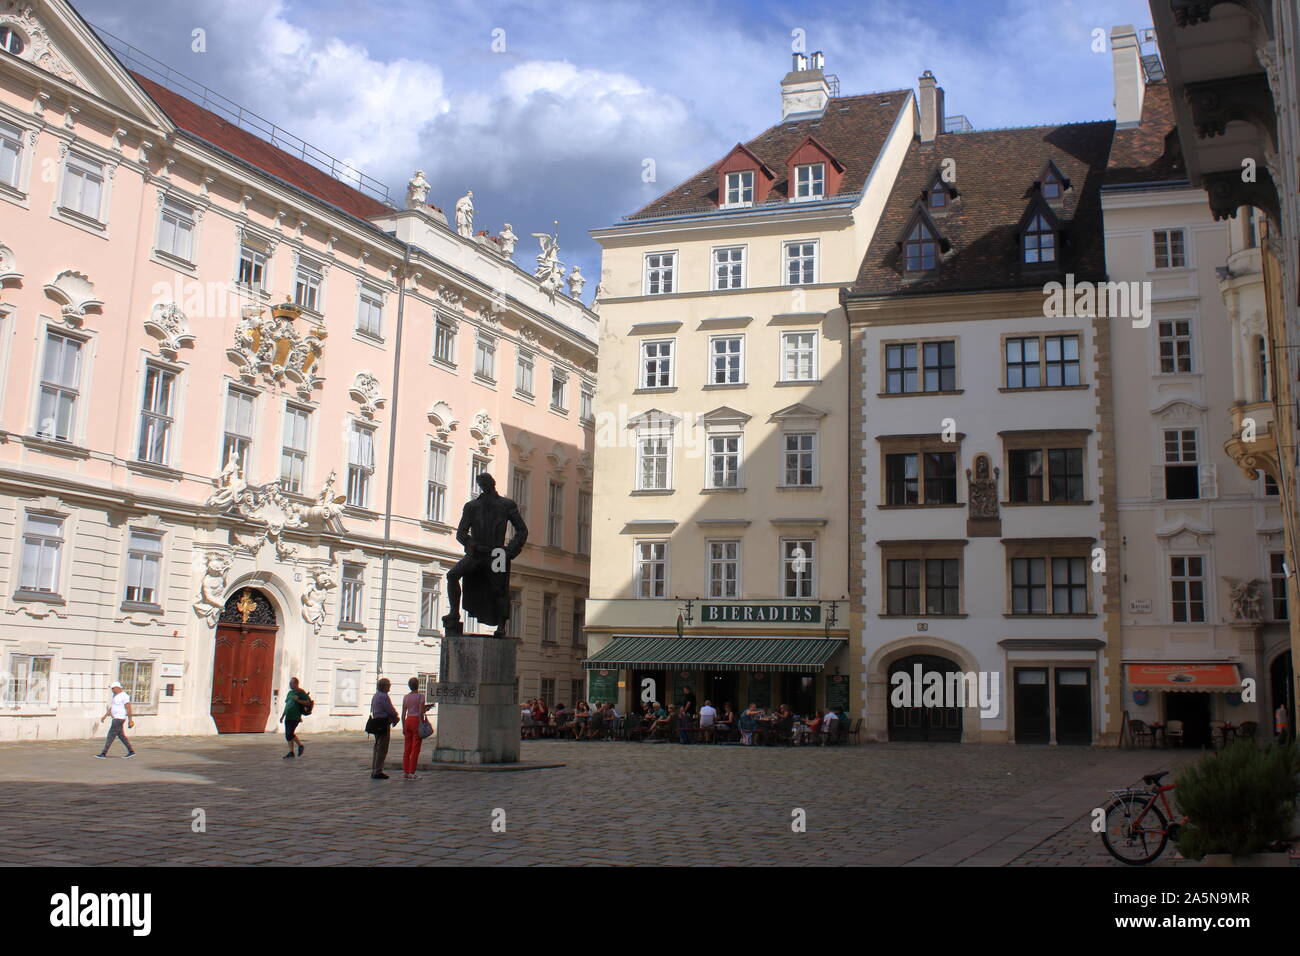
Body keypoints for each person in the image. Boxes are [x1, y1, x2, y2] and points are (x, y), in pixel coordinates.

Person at [401, 677, 433, 780]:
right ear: (418, 685)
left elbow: (403, 713)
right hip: (416, 721)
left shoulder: (405, 697)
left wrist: (403, 726)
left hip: (408, 720)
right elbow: (420, 711)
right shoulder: (421, 696)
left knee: (407, 748)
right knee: (415, 748)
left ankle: (406, 771)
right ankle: (412, 772)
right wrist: (426, 709)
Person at [96, 681, 136, 758]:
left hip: (119, 718)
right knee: (121, 736)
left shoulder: (124, 696)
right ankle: (131, 751)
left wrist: (130, 720)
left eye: (113, 688)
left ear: (118, 688)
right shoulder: (116, 696)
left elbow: (128, 707)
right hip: (116, 718)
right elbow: (112, 708)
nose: (112, 690)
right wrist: (105, 715)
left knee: (110, 735)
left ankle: (103, 753)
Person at [369, 678, 399, 779]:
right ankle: (378, 770)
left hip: (376, 722)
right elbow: (390, 710)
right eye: (388, 685)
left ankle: (374, 769)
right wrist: (395, 716)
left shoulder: (375, 695)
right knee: (382, 748)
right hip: (383, 723)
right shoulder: (384, 696)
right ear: (384, 686)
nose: (390, 686)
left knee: (377, 747)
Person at [279, 676, 310, 759]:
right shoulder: (289, 693)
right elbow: (287, 705)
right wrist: (282, 716)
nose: (290, 684)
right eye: (290, 683)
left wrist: (298, 700)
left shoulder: (300, 692)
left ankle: (300, 745)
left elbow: (308, 702)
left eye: (292, 683)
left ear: (296, 684)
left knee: (289, 734)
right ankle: (291, 752)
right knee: (288, 734)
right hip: (288, 716)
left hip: (295, 716)